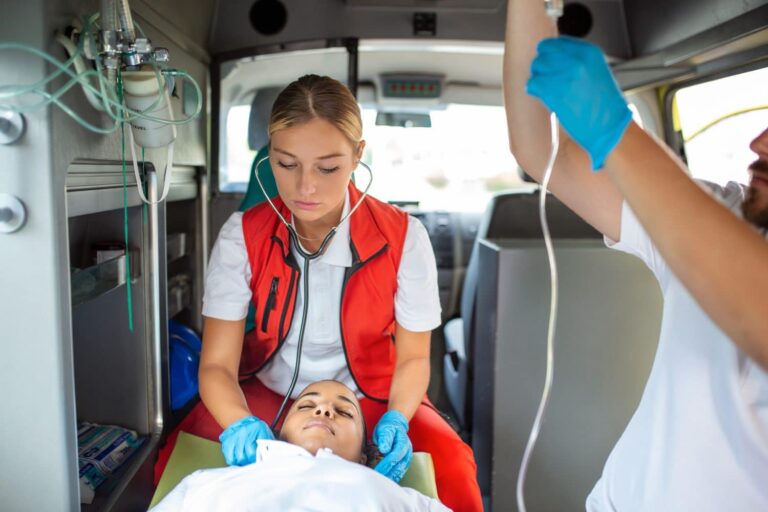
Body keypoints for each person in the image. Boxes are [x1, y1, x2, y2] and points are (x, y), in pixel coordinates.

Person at [155, 74, 482, 511]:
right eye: (286, 164)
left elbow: (414, 357)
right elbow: (216, 365)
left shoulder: (405, 238)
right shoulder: (242, 236)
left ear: (357, 156)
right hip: (265, 389)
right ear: (268, 154)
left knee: (454, 467)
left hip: (373, 396)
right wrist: (238, 424)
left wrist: (399, 420)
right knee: (177, 458)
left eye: (327, 168)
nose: (305, 188)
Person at [504, 1, 768, 510]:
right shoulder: (721, 214)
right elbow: (541, 150)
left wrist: (615, 131)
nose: (758, 142)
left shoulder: (714, 238)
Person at [150, 380, 451, 511]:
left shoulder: (396, 496)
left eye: (344, 412)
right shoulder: (204, 483)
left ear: (364, 457)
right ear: (275, 435)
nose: (323, 411)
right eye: (306, 406)